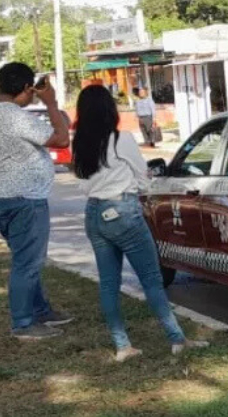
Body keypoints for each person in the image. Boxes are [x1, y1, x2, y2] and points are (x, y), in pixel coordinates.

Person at [71, 84, 207, 362]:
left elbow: (82, 184)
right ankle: (176, 339)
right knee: (151, 280)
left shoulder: (81, 143)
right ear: (110, 109)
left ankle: (122, 346)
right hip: (123, 210)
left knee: (109, 284)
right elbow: (143, 178)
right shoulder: (121, 139)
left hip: (94, 214)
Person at [0, 63, 72, 340]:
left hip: (2, 195)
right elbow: (62, 139)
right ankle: (23, 322)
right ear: (24, 89)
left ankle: (40, 310)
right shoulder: (14, 116)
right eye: (32, 90)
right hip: (24, 197)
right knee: (27, 263)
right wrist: (51, 103)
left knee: (27, 257)